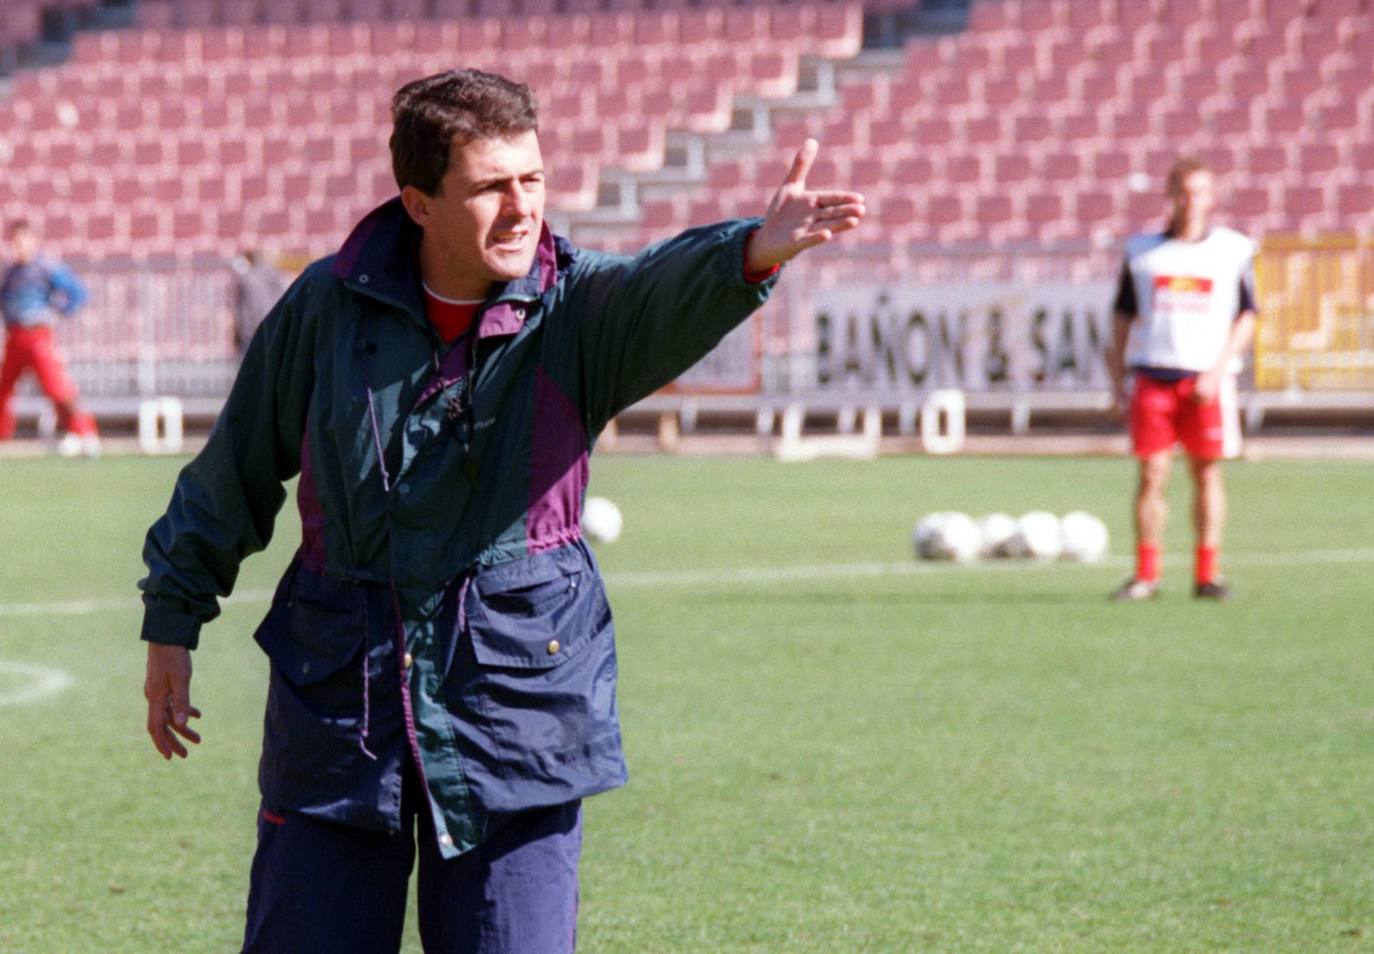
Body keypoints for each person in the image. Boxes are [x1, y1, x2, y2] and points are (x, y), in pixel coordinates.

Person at [139, 69, 865, 953]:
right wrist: (172, 618)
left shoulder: (576, 309)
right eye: (491, 186)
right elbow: (237, 466)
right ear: (419, 203)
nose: (522, 208)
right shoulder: (325, 307)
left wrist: (748, 253)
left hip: (516, 715)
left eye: (533, 179)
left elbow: (658, 289)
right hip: (339, 712)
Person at [1107, 157, 1258, 602]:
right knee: (1152, 472)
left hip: (1206, 379)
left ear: (1212, 198)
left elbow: (1248, 315)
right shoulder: (1143, 253)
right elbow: (1122, 315)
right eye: (1184, 192)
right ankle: (1146, 575)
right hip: (1153, 374)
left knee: (1206, 472)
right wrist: (1117, 377)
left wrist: (1219, 368)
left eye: (1200, 192)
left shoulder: (1232, 251)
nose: (1191, 201)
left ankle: (1207, 574)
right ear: (1170, 195)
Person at [0, 219, 101, 456]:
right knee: (3, 388)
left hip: (38, 336)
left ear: (33, 240)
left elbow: (77, 292)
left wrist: (57, 313)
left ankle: (84, 433)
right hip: (15, 337)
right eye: (14, 241)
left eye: (22, 240)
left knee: (56, 388)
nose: (18, 246)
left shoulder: (46, 267)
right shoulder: (12, 272)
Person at [229, 248, 291, 358]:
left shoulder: (249, 279)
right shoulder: (275, 274)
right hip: (274, 328)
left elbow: (256, 306)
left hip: (255, 331)